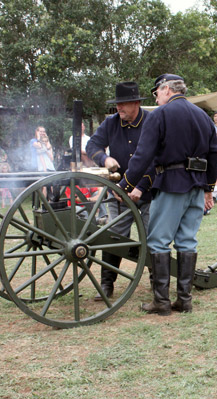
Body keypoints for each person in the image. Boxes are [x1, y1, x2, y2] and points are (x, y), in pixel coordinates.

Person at [119, 74, 217, 315]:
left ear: (165, 89)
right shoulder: (203, 116)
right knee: (186, 240)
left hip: (172, 184)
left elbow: (143, 155)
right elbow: (214, 154)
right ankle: (184, 300)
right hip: (196, 186)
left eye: (156, 93)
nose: (156, 98)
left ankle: (162, 302)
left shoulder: (160, 115)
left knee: (158, 241)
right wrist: (208, 189)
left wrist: (125, 184)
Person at [86, 81, 152, 299]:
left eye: (122, 104)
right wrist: (105, 159)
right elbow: (91, 146)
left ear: (135, 103)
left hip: (149, 190)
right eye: (117, 105)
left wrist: (141, 186)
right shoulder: (111, 124)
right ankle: (107, 284)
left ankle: (156, 282)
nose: (119, 108)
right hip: (119, 194)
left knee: (153, 237)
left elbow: (159, 157)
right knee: (114, 237)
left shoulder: (152, 122)